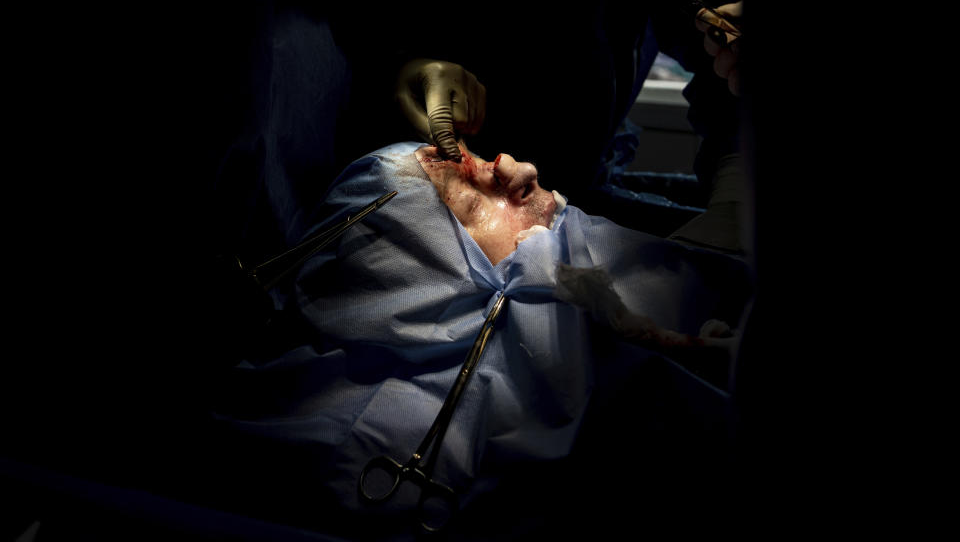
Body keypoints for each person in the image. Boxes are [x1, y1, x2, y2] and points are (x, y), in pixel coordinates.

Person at [208, 139, 753, 539]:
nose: (522, 167)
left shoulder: (623, 267)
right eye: (472, 202)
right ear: (439, 292)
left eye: (486, 158)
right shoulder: (385, 450)